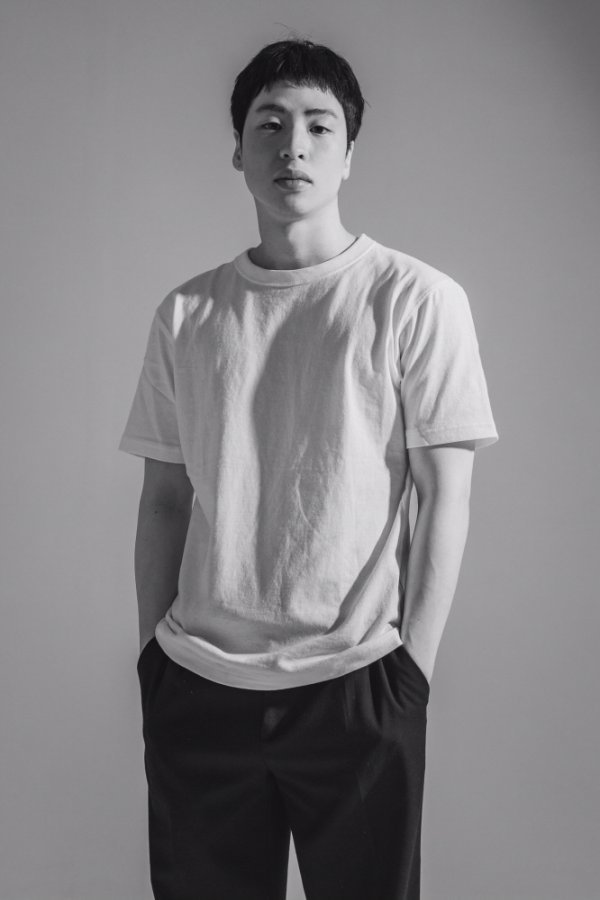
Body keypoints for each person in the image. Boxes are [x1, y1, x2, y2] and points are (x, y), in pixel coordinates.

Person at [119, 36, 499, 900]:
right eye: (270, 124)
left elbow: (445, 496)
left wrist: (410, 675)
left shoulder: (416, 299)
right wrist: (153, 663)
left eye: (319, 126)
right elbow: (164, 500)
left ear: (349, 153)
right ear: (238, 150)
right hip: (198, 684)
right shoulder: (187, 312)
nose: (294, 145)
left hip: (357, 681)